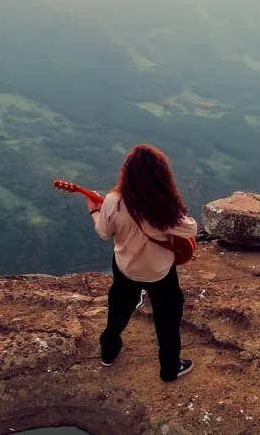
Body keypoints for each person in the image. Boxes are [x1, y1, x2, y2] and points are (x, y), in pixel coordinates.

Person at [86, 144, 198, 382]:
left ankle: (108, 352)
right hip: (160, 272)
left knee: (118, 310)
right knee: (167, 321)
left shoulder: (113, 201)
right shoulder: (163, 208)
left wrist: (95, 211)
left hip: (125, 268)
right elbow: (191, 228)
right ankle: (169, 369)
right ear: (161, 177)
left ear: (126, 173)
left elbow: (105, 233)